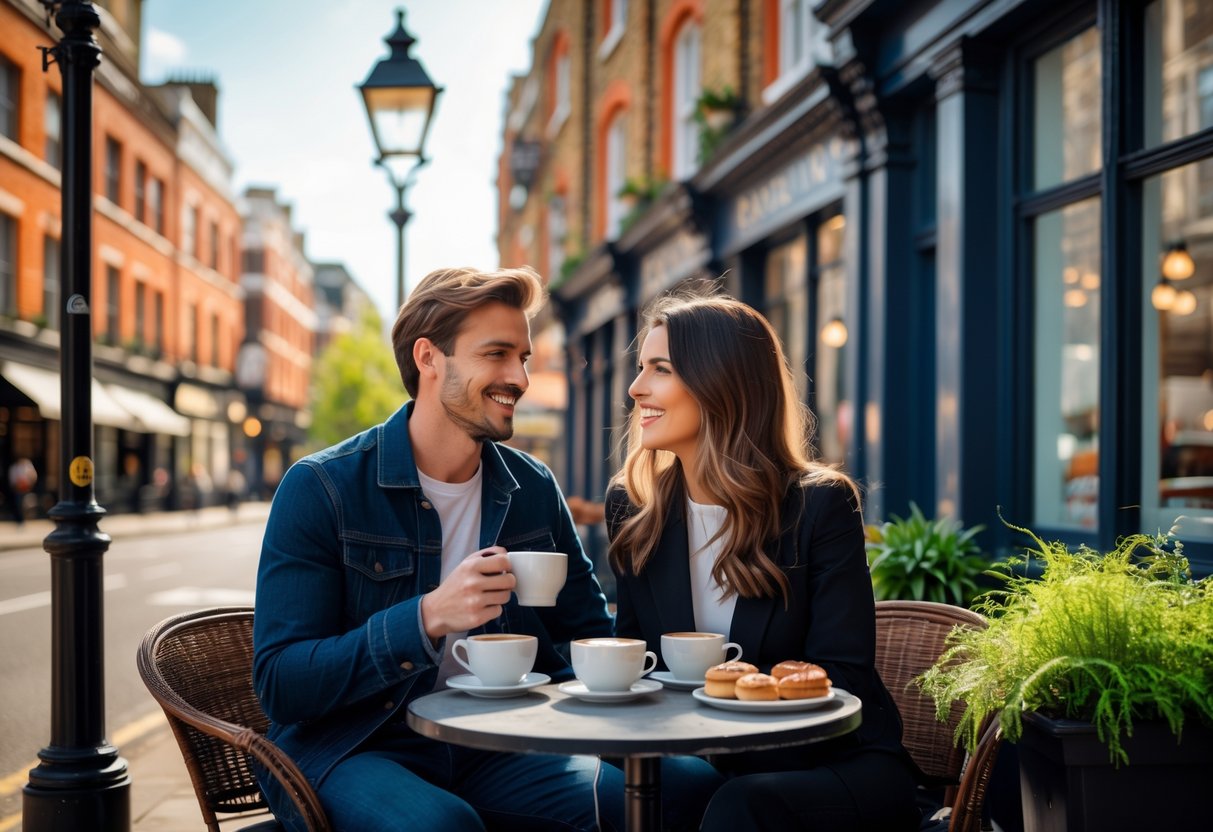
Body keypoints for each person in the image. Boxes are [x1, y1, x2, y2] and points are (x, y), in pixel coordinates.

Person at [253, 266, 719, 832]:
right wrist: (426, 617)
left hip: (496, 743)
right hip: (353, 747)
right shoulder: (322, 487)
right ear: (429, 358)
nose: (518, 377)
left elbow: (584, 633)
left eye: (522, 357)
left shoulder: (531, 488)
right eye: (496, 354)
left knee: (689, 786)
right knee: (443, 826)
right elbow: (281, 684)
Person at [606, 292, 921, 832]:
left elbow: (841, 674)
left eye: (660, 369)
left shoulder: (819, 506)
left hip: (830, 764)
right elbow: (638, 663)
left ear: (720, 382)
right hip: (706, 763)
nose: (636, 389)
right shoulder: (636, 510)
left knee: (734, 804)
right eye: (640, 369)